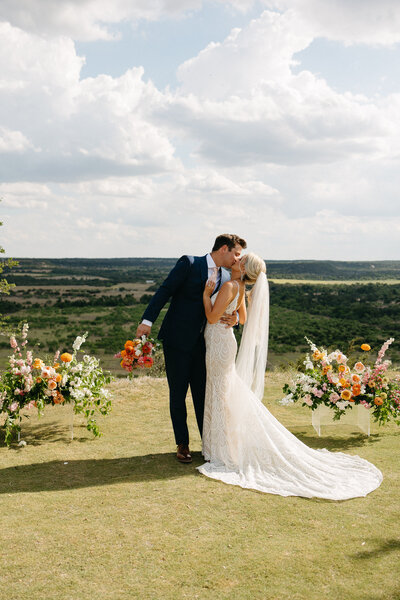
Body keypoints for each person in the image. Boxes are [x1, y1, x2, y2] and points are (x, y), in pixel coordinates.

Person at [198, 253, 383, 500]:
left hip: (219, 344)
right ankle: (221, 447)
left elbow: (211, 317)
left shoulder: (231, 285)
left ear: (242, 268)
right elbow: (242, 318)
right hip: (224, 342)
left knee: (221, 394)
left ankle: (222, 450)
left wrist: (205, 295)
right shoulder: (241, 288)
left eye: (241, 258)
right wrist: (233, 318)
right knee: (223, 394)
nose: (236, 257)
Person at [136, 234, 247, 463]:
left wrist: (235, 317)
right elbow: (165, 290)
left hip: (206, 344)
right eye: (236, 253)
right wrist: (147, 321)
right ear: (224, 248)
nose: (238, 258)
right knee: (177, 393)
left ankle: (209, 443)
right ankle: (183, 443)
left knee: (202, 393)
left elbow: (233, 304)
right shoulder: (190, 263)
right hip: (177, 340)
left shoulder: (228, 276)